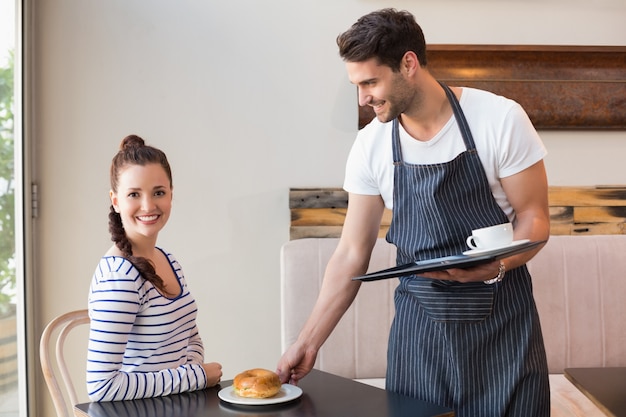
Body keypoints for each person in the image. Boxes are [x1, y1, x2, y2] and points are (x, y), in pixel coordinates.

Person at [277, 8, 550, 417]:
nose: (362, 98)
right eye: (356, 85)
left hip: (504, 329)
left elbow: (535, 220)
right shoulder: (371, 146)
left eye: (370, 82)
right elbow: (352, 252)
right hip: (419, 337)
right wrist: (308, 341)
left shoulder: (499, 119)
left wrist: (495, 266)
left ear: (408, 64)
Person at [86, 135, 222, 401]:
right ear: (115, 201)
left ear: (171, 194)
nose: (148, 206)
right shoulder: (120, 277)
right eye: (134, 194)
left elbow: (190, 337)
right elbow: (101, 387)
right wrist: (195, 376)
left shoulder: (168, 260)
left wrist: (191, 373)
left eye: (158, 192)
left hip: (174, 404)